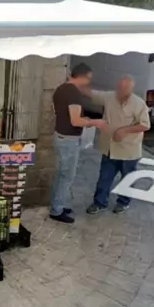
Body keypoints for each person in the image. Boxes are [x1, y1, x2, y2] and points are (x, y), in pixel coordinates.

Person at [49, 63, 107, 224]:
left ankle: (57, 204)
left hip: (60, 135)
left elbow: (59, 113)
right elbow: (75, 120)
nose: (88, 82)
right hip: (68, 139)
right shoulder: (73, 93)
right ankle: (57, 210)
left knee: (61, 174)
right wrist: (95, 122)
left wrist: (86, 120)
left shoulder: (61, 88)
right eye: (88, 78)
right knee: (66, 176)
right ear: (82, 76)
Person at [84, 75, 150, 214]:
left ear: (131, 89)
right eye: (119, 87)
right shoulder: (109, 97)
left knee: (127, 179)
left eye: (124, 88)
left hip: (129, 150)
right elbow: (92, 94)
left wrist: (125, 130)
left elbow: (145, 125)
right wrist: (75, 82)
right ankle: (99, 203)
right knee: (104, 178)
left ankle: (123, 202)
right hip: (110, 148)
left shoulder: (138, 104)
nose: (120, 90)